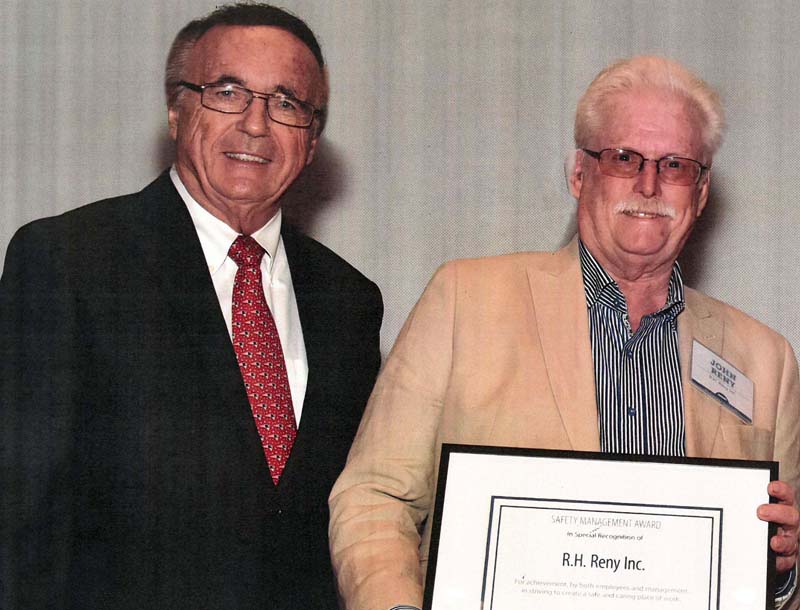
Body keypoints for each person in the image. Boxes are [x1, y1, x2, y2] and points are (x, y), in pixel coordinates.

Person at [329, 56, 800, 610]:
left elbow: (777, 563)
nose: (649, 185)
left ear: (699, 193)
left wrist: (783, 573)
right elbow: (374, 497)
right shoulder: (465, 300)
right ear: (579, 173)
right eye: (624, 158)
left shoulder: (766, 361)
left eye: (674, 165)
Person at [0, 4, 382, 609]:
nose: (256, 125)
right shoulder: (69, 262)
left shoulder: (349, 302)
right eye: (227, 92)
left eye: (286, 102)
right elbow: (21, 519)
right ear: (177, 112)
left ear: (311, 141)